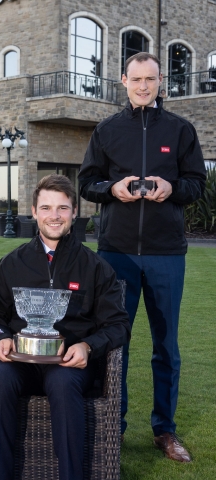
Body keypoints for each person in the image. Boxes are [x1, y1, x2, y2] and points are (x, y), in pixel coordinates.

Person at [79, 52, 206, 462]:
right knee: (116, 343)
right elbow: (86, 183)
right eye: (137, 79)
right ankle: (113, 424)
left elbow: (196, 184)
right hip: (116, 255)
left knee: (166, 346)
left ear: (160, 81)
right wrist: (112, 188)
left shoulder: (181, 129)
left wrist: (171, 188)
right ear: (124, 80)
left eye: (151, 79)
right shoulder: (107, 130)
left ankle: (164, 430)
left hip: (166, 254)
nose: (144, 86)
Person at [0, 174, 130, 480]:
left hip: (69, 364)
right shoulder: (12, 263)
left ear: (75, 212)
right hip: (21, 361)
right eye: (46, 208)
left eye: (62, 208)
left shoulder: (96, 267)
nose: (54, 216)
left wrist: (87, 346)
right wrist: (0, 339)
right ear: (34, 211)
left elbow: (118, 325)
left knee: (61, 383)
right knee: (0, 379)